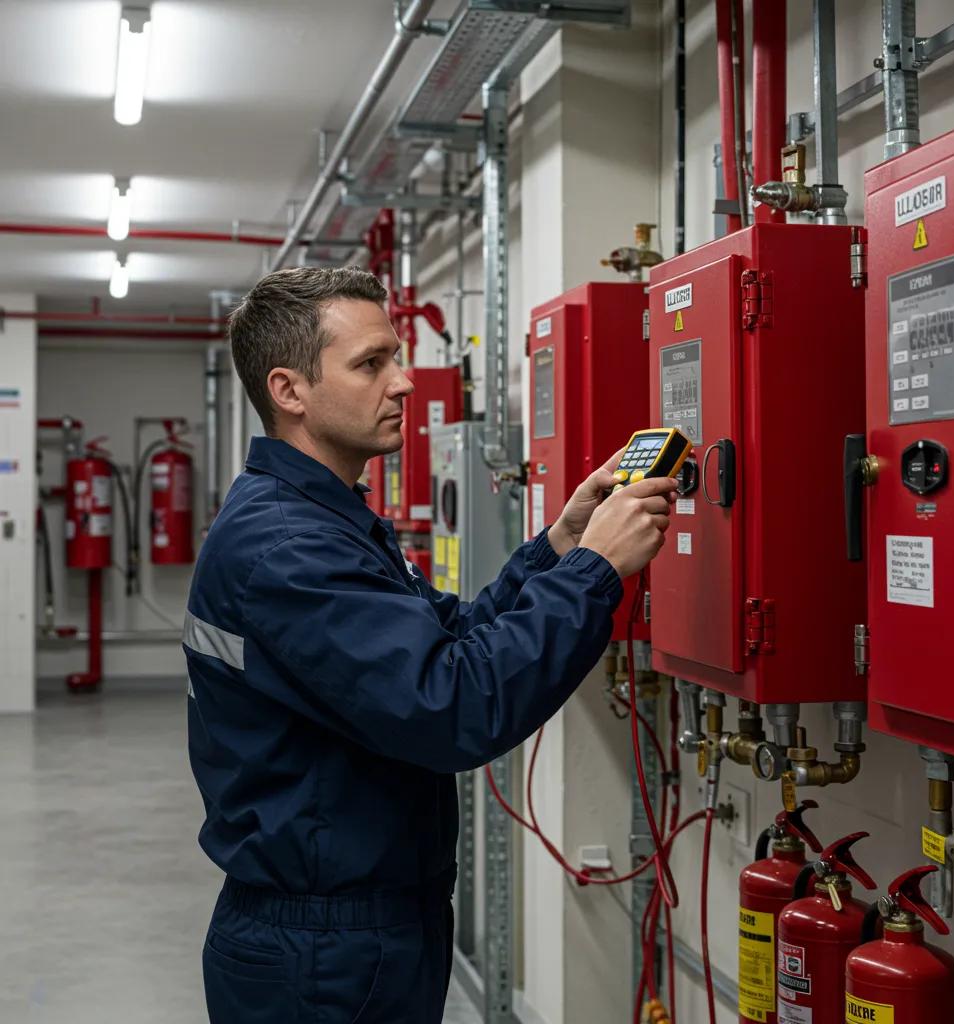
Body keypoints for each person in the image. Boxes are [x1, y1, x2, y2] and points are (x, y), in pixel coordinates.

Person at [184, 266, 675, 1023]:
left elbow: (446, 640)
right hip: (321, 957)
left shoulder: (323, 521)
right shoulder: (288, 548)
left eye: (397, 357)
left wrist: (559, 545)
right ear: (289, 391)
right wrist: (594, 573)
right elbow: (451, 706)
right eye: (371, 363)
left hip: (356, 931)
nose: (405, 382)